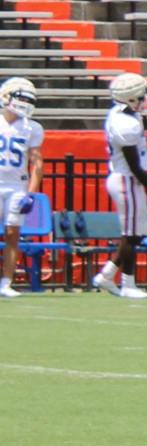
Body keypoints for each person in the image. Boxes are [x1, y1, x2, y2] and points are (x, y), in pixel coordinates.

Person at [95, 72, 147, 299]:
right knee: (131, 234)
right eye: (142, 95)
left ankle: (107, 274)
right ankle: (128, 283)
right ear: (130, 98)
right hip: (127, 179)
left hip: (129, 179)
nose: (146, 98)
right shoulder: (125, 123)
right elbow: (134, 165)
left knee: (137, 233)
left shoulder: (125, 115)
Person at [0, 77, 45, 299]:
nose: (25, 103)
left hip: (17, 185)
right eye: (21, 98)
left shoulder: (32, 127)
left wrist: (32, 193)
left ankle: (6, 282)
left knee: (12, 233)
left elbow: (36, 161)